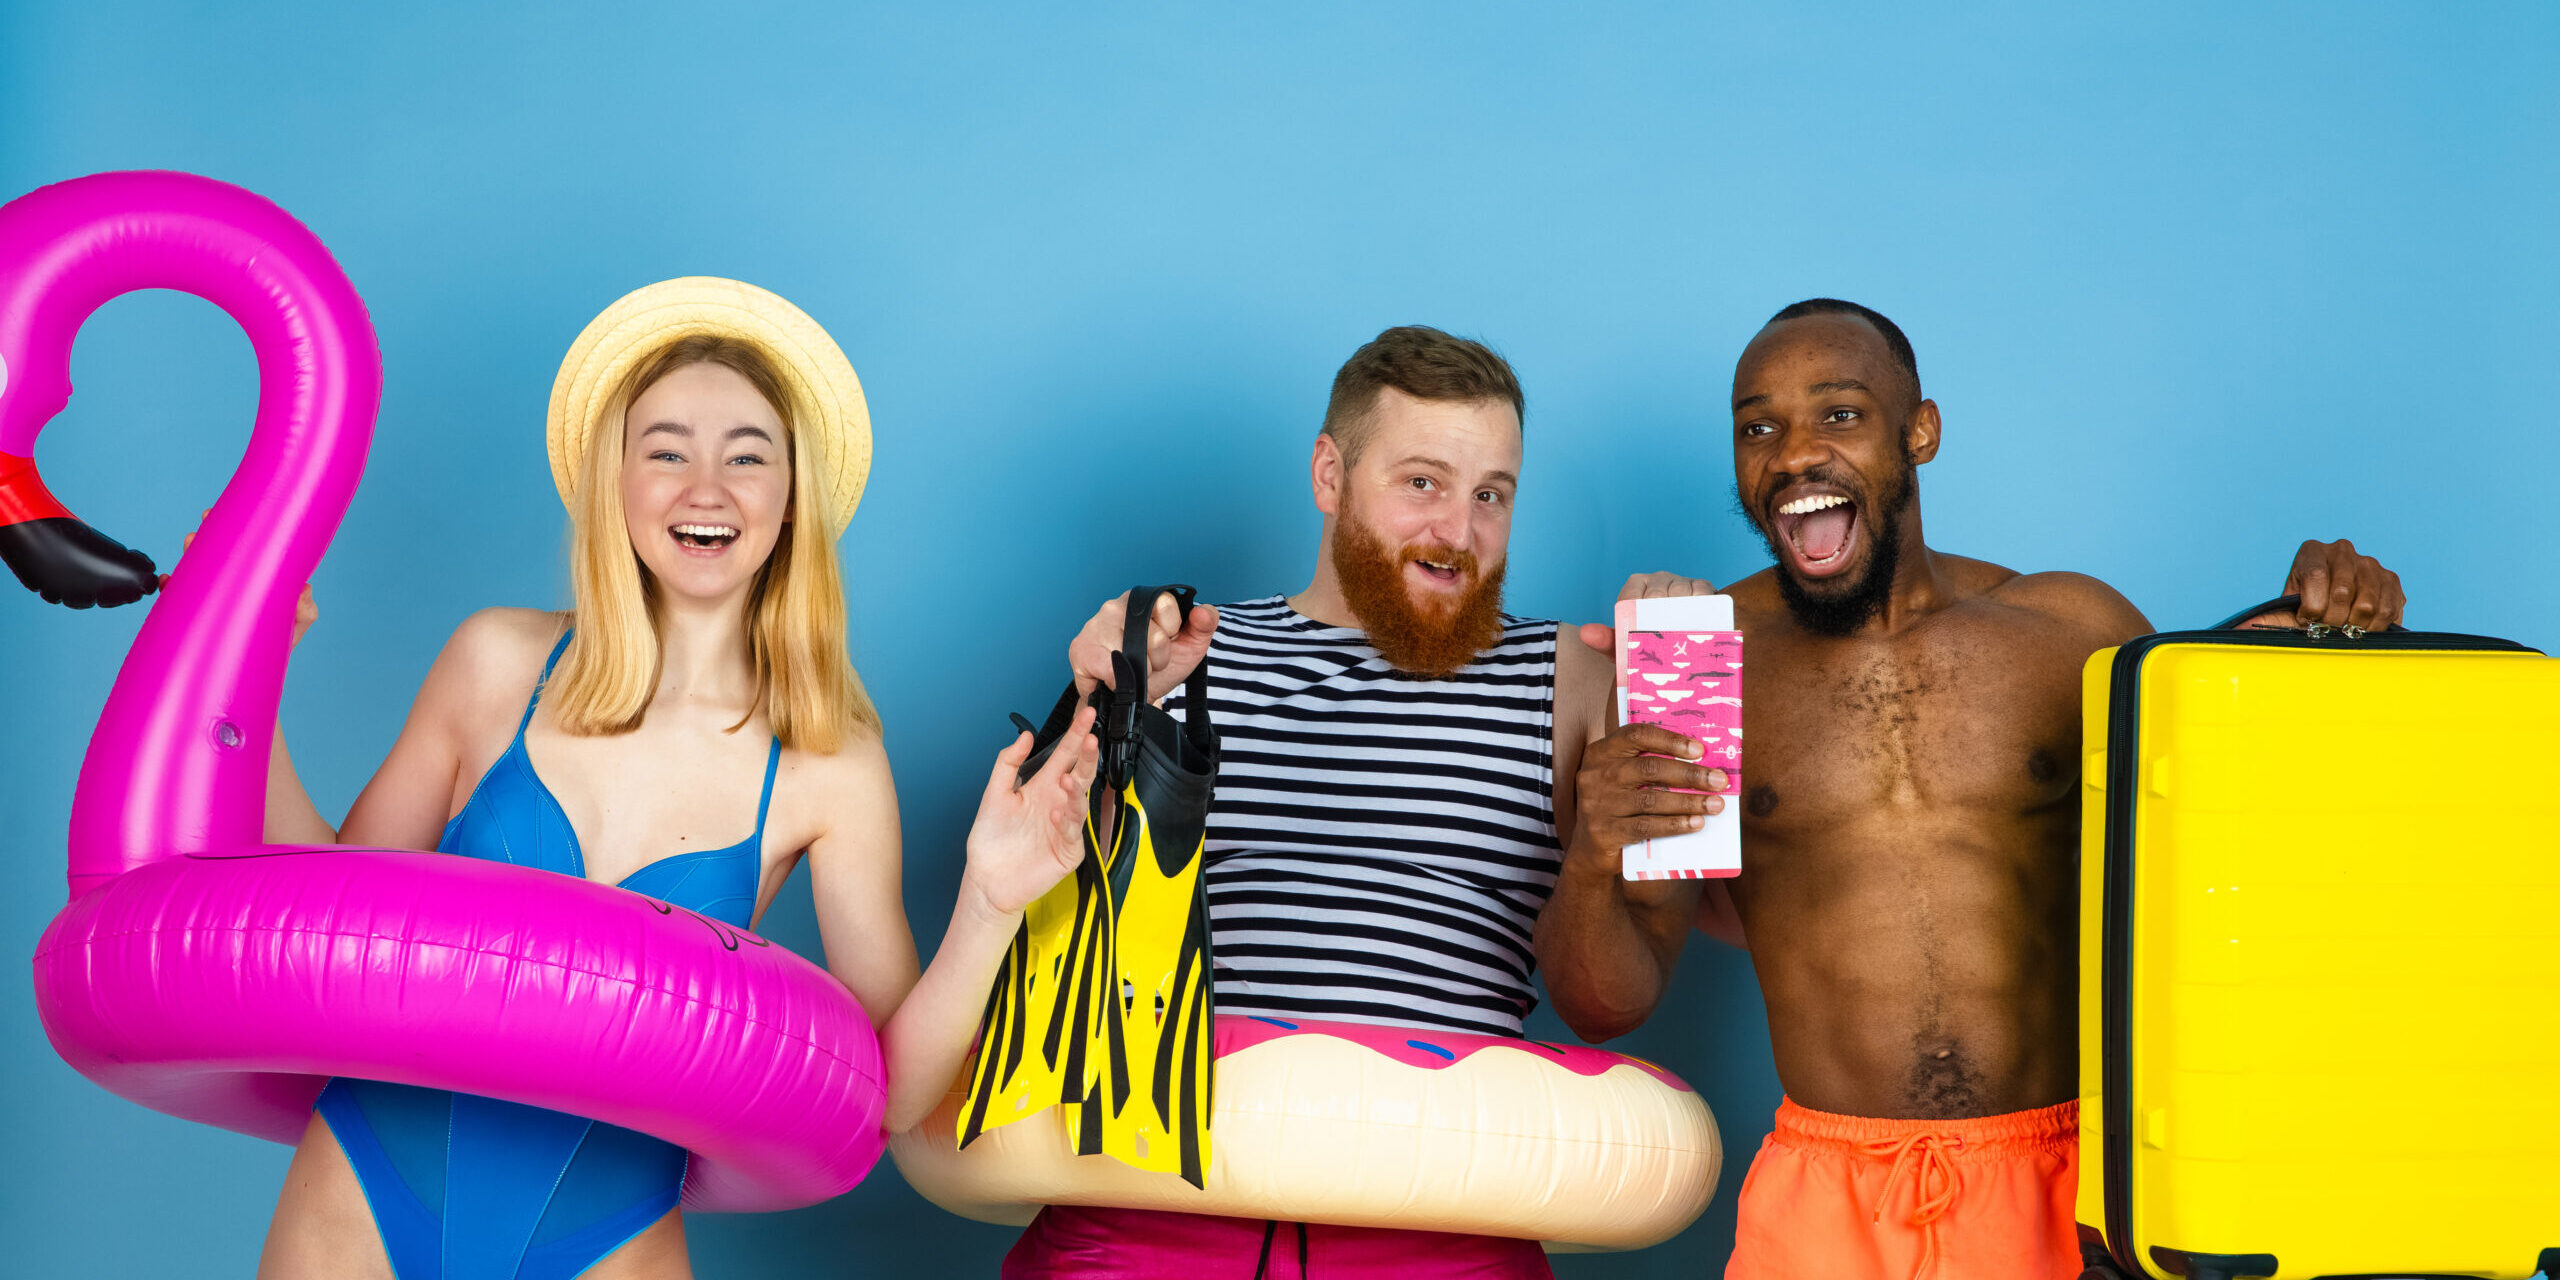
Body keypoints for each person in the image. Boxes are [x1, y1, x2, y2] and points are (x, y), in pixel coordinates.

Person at [1535, 299, 2405, 1280]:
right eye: (1757, 426)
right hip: (1825, 1205)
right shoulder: (1699, 666)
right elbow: (1610, 999)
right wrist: (1594, 849)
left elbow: (2234, 879)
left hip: (2076, 1189)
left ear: (1920, 431)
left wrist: (2323, 636)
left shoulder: (2070, 629)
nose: (1793, 453)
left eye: (1839, 413)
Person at [251, 278, 1100, 1280]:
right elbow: (324, 907)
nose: (708, 488)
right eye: (666, 452)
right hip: (362, 1186)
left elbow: (891, 1092)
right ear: (616, 484)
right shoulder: (494, 662)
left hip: (605, 1233)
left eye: (748, 456)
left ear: (790, 501)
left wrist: (992, 901)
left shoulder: (829, 759)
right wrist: (251, 666)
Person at [998, 325, 1614, 1279]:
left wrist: (1679, 660)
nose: (1459, 530)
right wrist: (1110, 708)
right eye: (1423, 482)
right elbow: (1039, 907)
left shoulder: (1569, 674)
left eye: (1491, 494)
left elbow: (1632, 968)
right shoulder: (1183, 650)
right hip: (1156, 1211)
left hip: (1440, 1225)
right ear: (1329, 474)